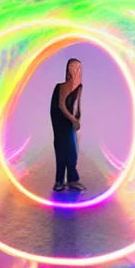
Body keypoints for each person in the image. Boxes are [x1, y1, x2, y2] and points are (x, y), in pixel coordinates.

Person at [50, 58, 86, 192]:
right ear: (69, 69)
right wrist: (73, 120)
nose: (77, 70)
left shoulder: (79, 86)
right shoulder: (62, 86)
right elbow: (61, 105)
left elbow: (77, 104)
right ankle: (59, 181)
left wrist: (78, 117)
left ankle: (72, 180)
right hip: (60, 119)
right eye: (74, 67)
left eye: (79, 68)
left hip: (70, 120)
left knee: (72, 149)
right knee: (61, 149)